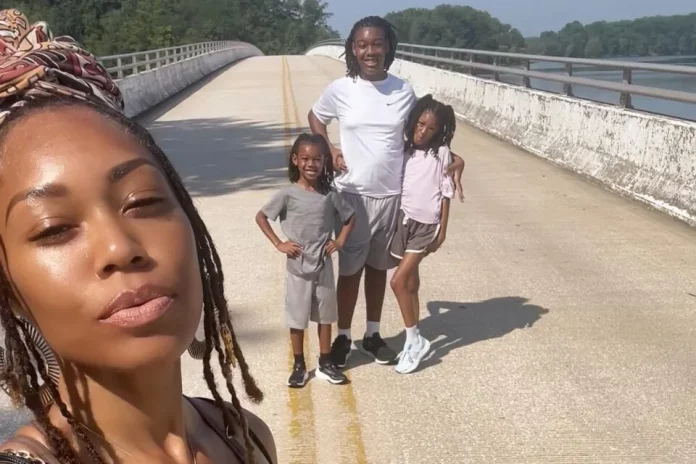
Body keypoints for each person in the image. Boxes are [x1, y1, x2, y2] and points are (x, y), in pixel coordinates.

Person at [0, 10, 276, 464]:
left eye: (143, 202)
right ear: (7, 290)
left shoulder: (248, 437)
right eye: (55, 228)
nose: (120, 248)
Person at [308, 16, 465, 368]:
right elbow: (316, 117)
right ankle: (344, 336)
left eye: (377, 44)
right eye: (362, 45)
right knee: (350, 270)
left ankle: (373, 334)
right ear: (352, 48)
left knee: (378, 268)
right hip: (351, 195)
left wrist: (454, 157)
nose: (370, 51)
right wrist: (329, 148)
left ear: (388, 47)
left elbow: (424, 133)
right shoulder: (341, 89)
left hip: (393, 195)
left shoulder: (403, 91)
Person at [255, 134, 356, 388]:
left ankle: (325, 362)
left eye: (317, 159)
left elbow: (350, 217)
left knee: (325, 316)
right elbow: (261, 217)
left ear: (324, 162)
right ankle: (299, 365)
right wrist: (279, 243)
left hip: (323, 266)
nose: (311, 164)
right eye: (305, 159)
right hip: (298, 267)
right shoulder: (288, 194)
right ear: (295, 160)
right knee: (297, 317)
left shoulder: (329, 195)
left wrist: (339, 242)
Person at [390, 95, 457, 374]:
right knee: (411, 283)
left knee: (397, 281)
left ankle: (414, 340)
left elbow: (446, 192)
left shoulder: (441, 153)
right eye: (420, 124)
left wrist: (442, 232)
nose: (423, 131)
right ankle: (413, 340)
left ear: (439, 130)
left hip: (426, 226)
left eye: (431, 128)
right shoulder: (405, 149)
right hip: (402, 221)